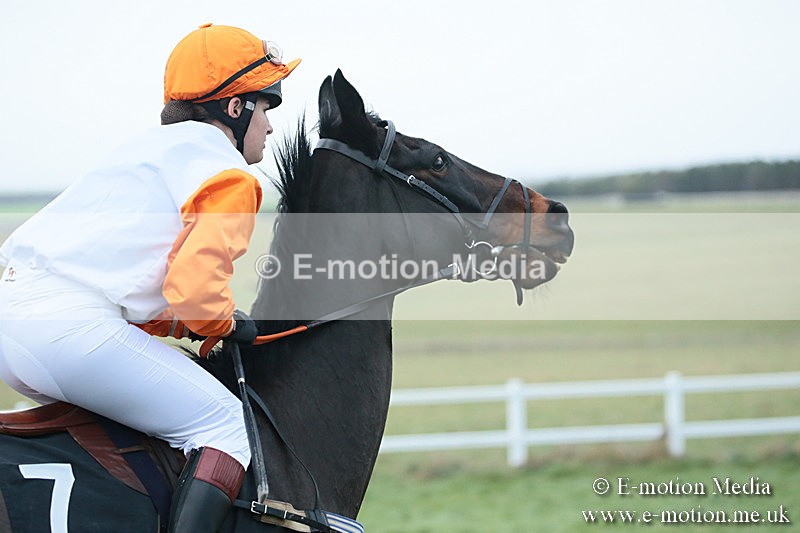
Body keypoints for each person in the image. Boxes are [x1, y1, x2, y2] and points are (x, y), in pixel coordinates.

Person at [0, 23, 300, 532]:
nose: (270, 126)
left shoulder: (146, 152)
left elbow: (134, 283)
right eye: (266, 107)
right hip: (66, 332)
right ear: (235, 107)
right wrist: (224, 325)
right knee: (225, 426)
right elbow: (197, 292)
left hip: (18, 325)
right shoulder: (227, 174)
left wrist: (186, 327)